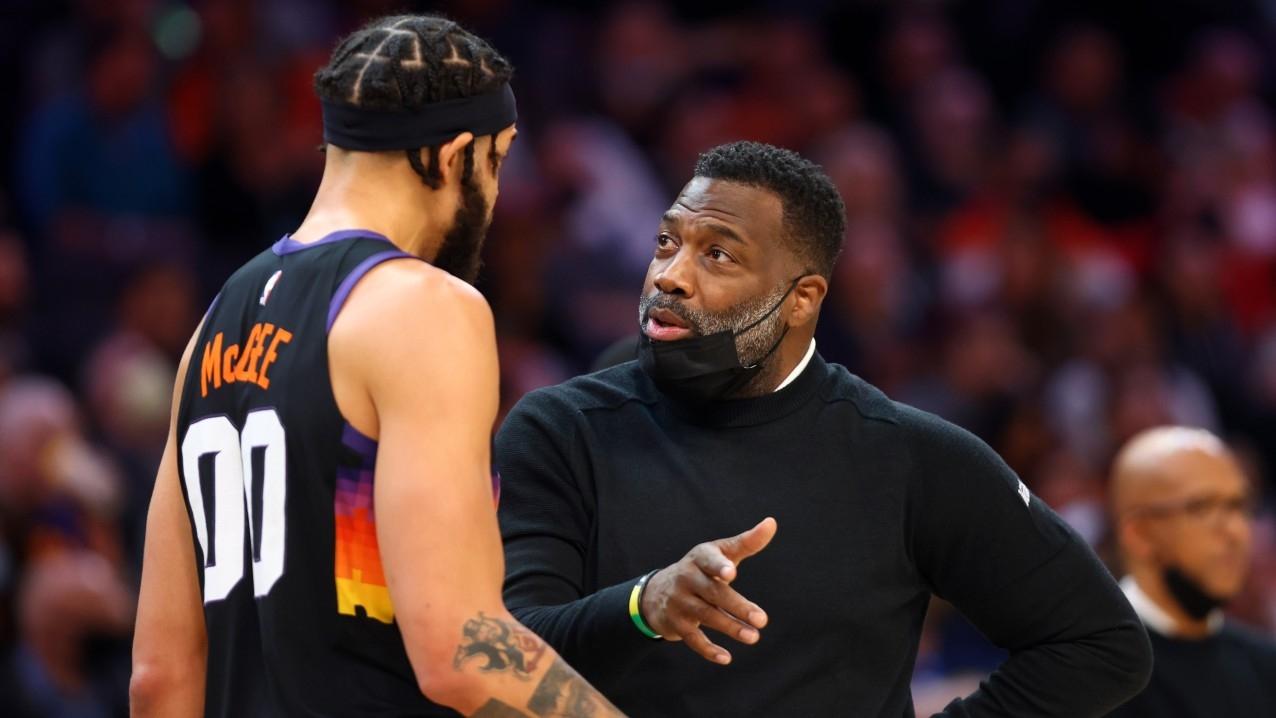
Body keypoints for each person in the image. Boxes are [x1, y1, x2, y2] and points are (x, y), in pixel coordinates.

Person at [496, 141, 1152, 716]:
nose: (669, 275)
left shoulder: (907, 456)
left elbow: (1099, 644)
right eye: (668, 241)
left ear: (802, 299)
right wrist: (643, 606)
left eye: (717, 254)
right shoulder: (561, 430)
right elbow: (498, 657)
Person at [130, 15, 622, 718]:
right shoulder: (422, 306)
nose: (499, 195)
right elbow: (460, 648)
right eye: (499, 160)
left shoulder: (211, 327)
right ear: (453, 157)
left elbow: (158, 673)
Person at [1106, 426, 1276, 717]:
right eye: (1202, 507)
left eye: (1238, 505)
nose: (1234, 530)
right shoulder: (1088, 672)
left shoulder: (1266, 665)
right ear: (1140, 535)